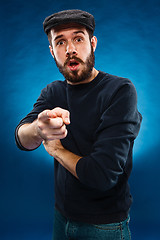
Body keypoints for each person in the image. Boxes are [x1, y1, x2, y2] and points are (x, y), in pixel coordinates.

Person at [15, 9, 142, 240]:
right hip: (61, 217)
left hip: (105, 226)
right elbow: (21, 138)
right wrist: (38, 129)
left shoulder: (120, 91)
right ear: (52, 51)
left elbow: (101, 176)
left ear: (92, 43)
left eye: (78, 39)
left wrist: (57, 150)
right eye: (60, 42)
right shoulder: (53, 91)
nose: (70, 49)